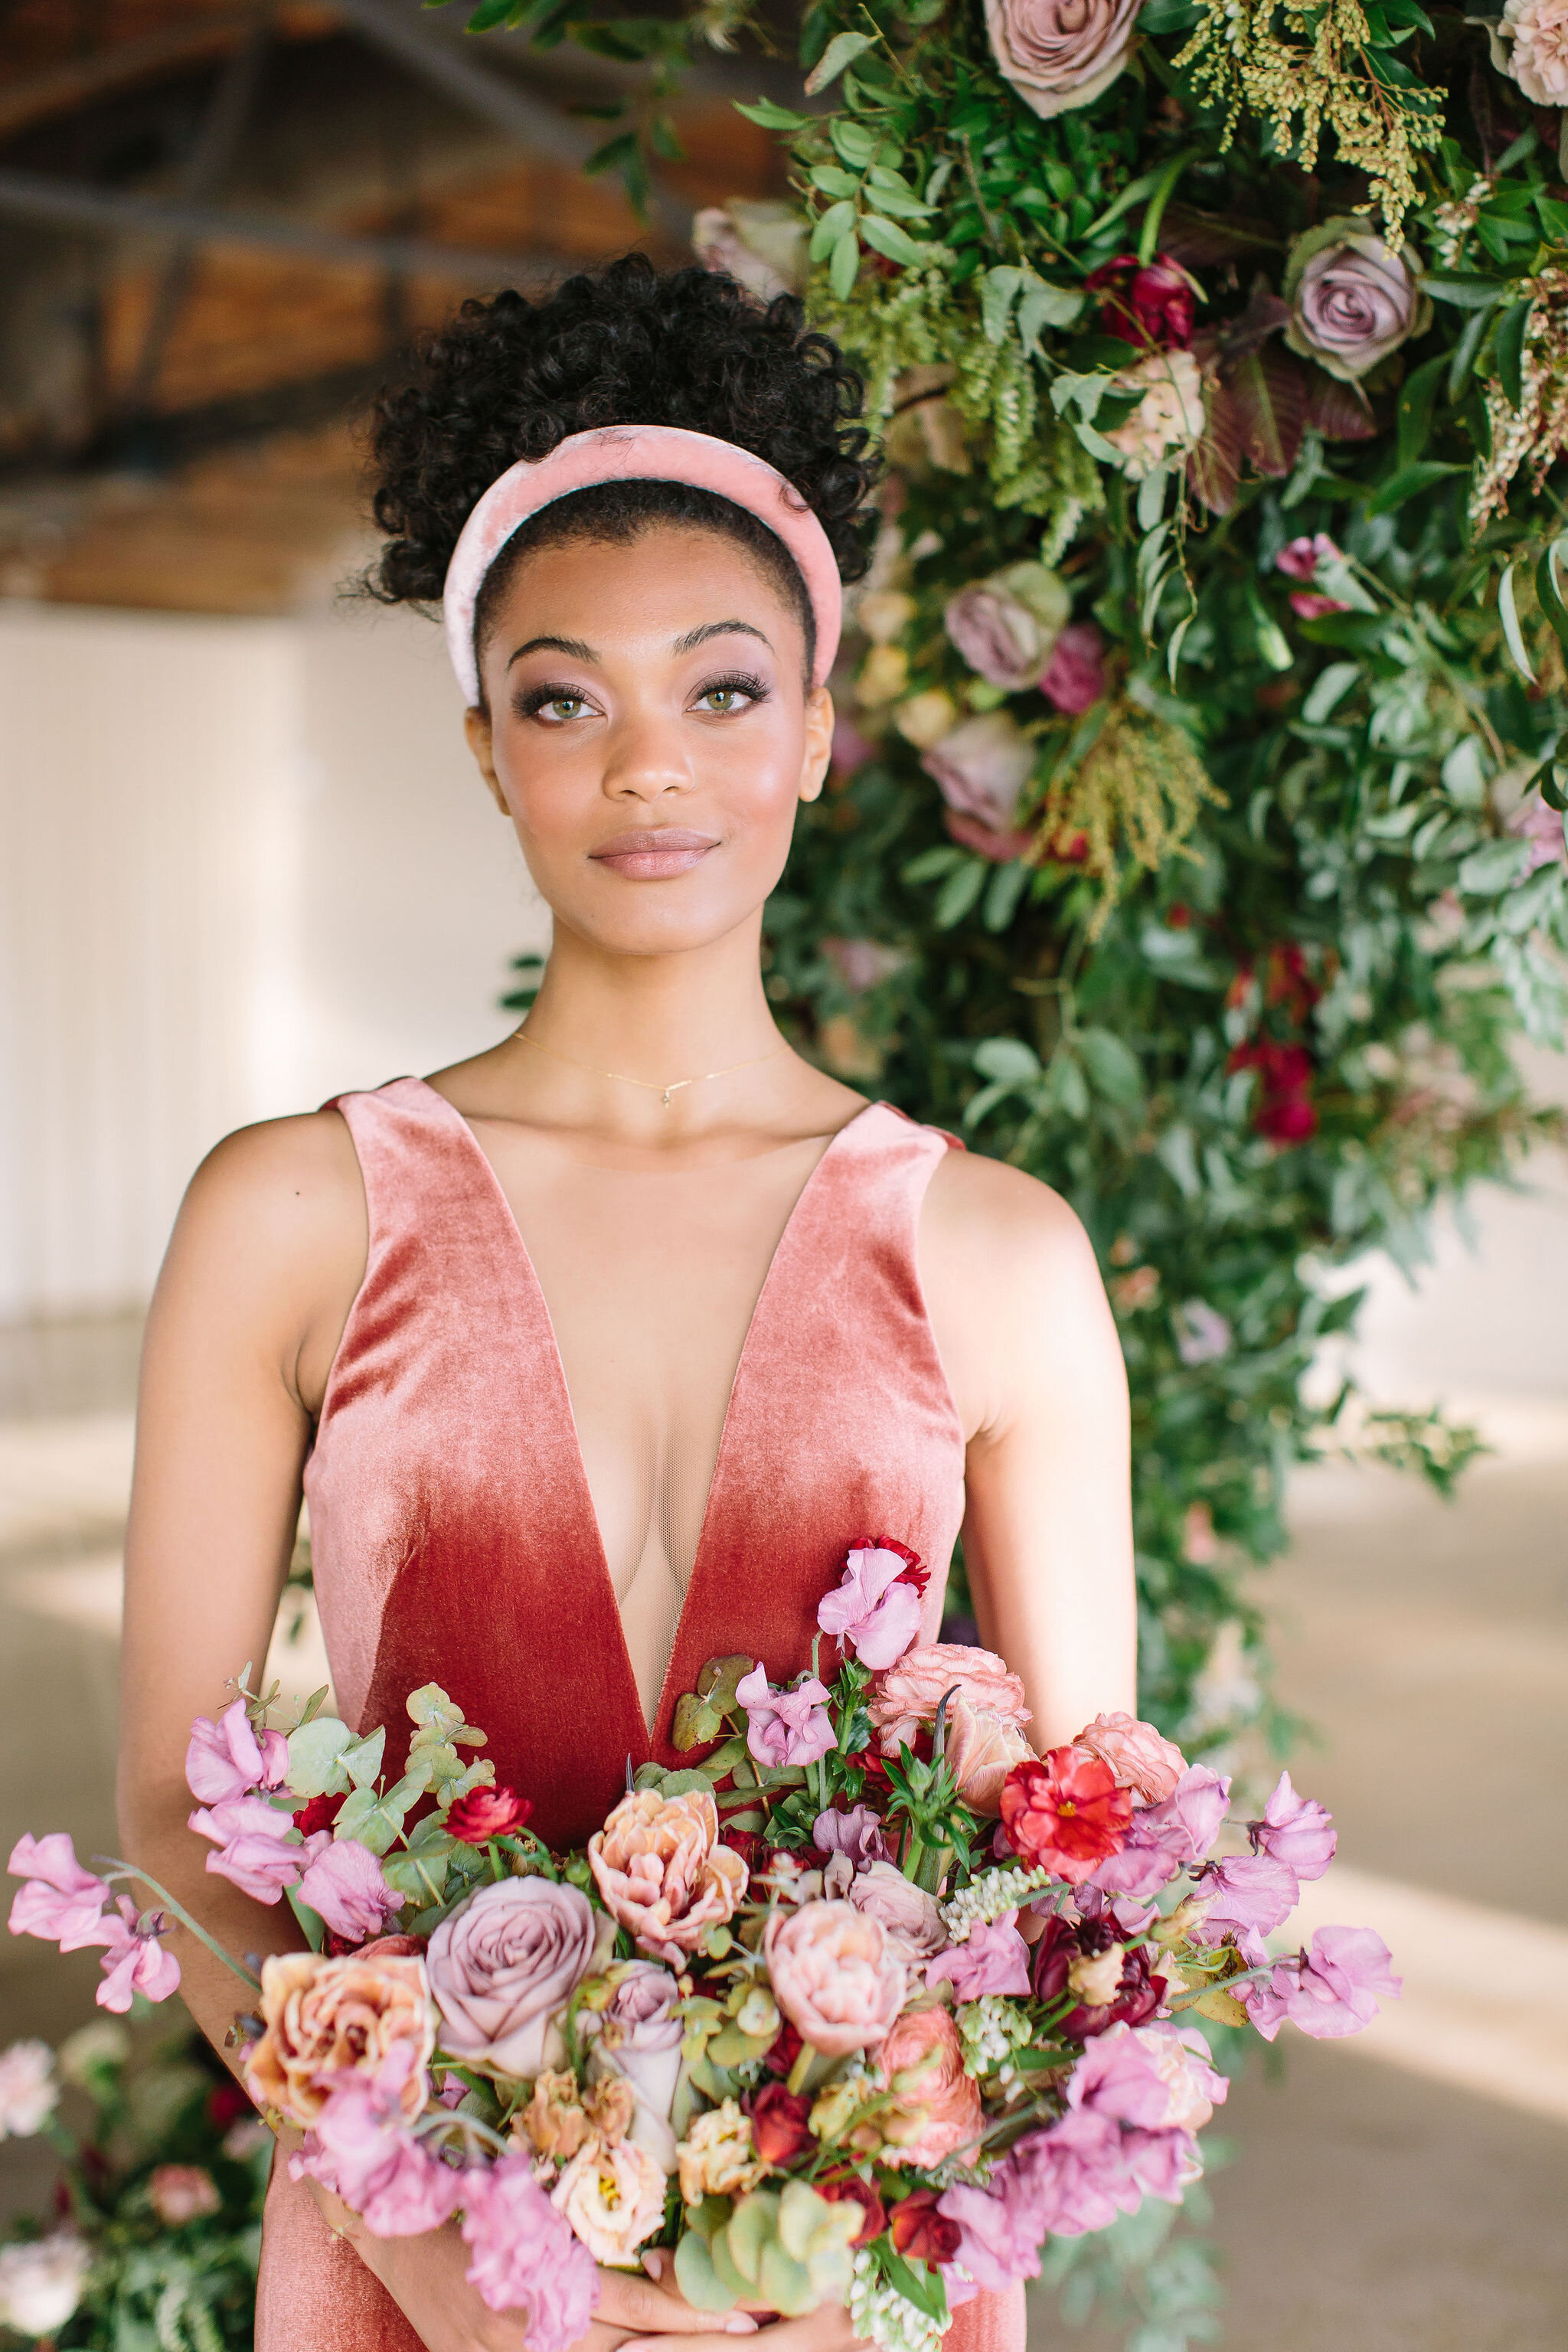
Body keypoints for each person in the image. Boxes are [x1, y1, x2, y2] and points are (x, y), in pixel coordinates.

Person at [118, 256, 1134, 2352]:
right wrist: (440, 2256)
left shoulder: (1002, 1258)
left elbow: (1080, 1836)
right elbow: (164, 1818)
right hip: (410, 2263)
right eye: (568, 696)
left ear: (824, 731)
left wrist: (840, 2223)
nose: (647, 764)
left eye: (725, 687)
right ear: (489, 748)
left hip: (844, 2283)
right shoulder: (291, 1214)